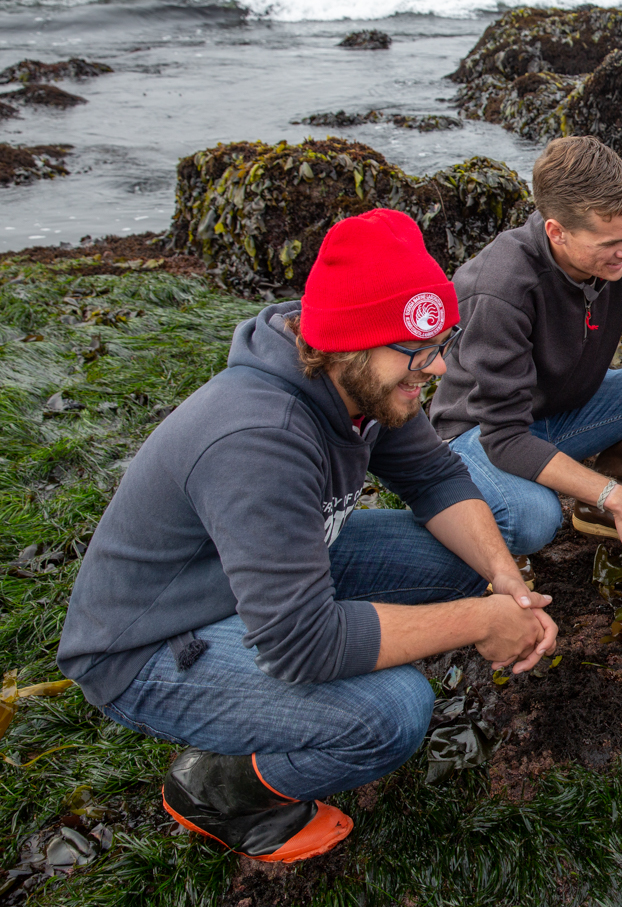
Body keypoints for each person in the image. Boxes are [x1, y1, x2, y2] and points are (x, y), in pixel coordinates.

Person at [56, 209, 557, 863]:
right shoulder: (259, 439)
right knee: (394, 711)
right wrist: (477, 622)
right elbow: (302, 644)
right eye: (417, 353)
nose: (434, 371)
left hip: (257, 583)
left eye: (441, 346)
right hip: (148, 646)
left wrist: (505, 583)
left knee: (461, 555)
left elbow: (434, 477)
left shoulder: (367, 380)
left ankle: (277, 707)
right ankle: (215, 788)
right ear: (349, 343)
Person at [432, 136, 622, 586]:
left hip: (567, 413)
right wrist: (620, 499)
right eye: (612, 242)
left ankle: (595, 508)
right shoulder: (500, 288)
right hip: (482, 435)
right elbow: (507, 437)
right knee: (533, 518)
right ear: (557, 231)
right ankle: (482, 544)